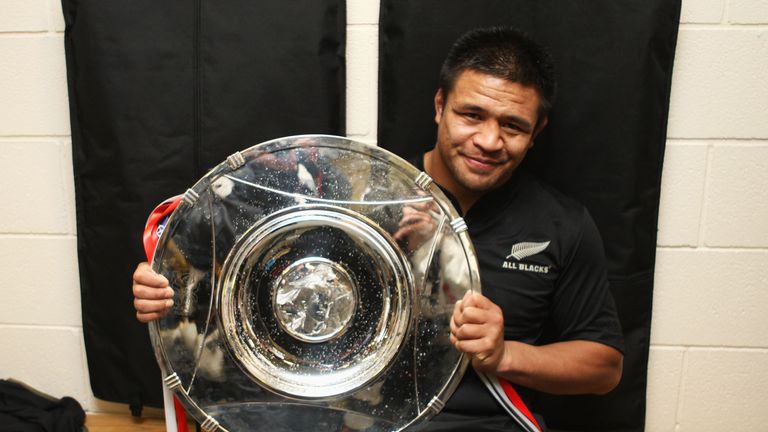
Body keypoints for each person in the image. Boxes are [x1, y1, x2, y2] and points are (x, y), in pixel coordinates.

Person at [133, 27, 624, 431]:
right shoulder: (359, 202)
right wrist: (170, 292)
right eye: (471, 115)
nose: (489, 140)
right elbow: (256, 299)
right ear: (439, 106)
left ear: (535, 133)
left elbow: (603, 368)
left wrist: (505, 355)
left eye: (512, 126)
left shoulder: (562, 224)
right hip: (359, 422)